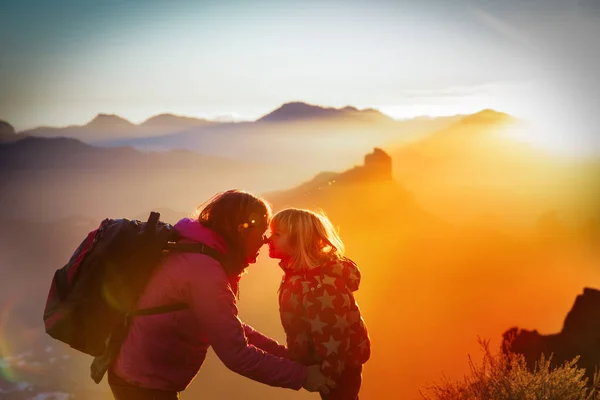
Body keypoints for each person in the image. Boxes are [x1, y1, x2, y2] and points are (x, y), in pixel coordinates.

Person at [108, 190, 335, 399]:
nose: (265, 240)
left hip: (139, 376)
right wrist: (302, 376)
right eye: (263, 231)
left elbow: (228, 326)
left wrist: (290, 358)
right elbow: (236, 354)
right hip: (143, 385)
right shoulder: (204, 272)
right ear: (242, 229)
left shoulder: (198, 252)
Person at [267, 208, 371, 400]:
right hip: (331, 366)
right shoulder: (299, 276)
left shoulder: (318, 284)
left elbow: (335, 332)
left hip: (338, 370)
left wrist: (327, 375)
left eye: (277, 234)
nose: (268, 239)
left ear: (300, 241)